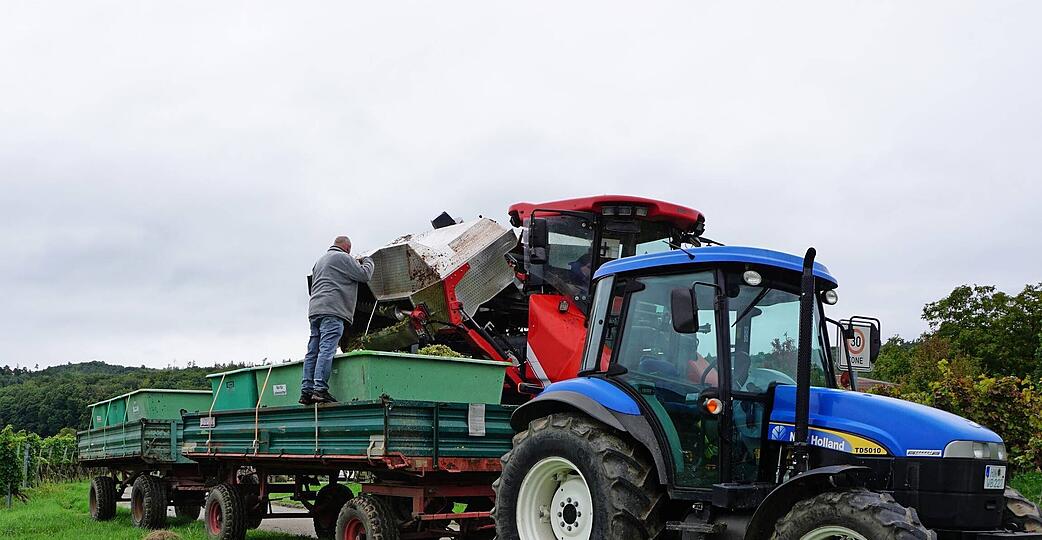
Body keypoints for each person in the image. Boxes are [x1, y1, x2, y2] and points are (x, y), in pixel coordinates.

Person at [301, 236, 375, 404]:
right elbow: (364, 275)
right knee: (327, 349)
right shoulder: (343, 257)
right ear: (347, 248)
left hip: (315, 310)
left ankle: (306, 391)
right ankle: (320, 390)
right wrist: (368, 260)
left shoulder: (319, 261)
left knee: (313, 351)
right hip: (333, 310)